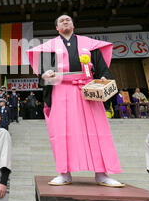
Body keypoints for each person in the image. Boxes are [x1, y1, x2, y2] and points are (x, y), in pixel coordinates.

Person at [26, 14, 124, 187]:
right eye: (61, 21)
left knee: (97, 129)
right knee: (62, 131)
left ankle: (102, 173)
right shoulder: (50, 46)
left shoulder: (89, 44)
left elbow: (101, 67)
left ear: (73, 25)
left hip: (87, 89)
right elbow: (43, 71)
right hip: (61, 88)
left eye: (68, 19)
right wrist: (44, 74)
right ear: (57, 28)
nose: (65, 21)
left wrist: (103, 78)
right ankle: (64, 173)